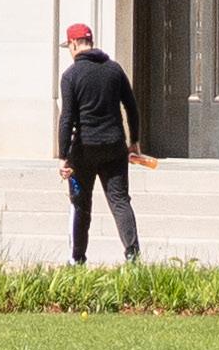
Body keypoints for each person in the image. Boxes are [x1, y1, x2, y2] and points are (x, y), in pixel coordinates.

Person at [57, 19, 152, 262]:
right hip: (114, 147)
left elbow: (67, 118)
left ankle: (77, 260)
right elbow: (131, 107)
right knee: (120, 201)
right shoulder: (114, 70)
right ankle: (133, 255)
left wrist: (64, 156)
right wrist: (134, 140)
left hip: (83, 150)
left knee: (80, 205)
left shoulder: (70, 76)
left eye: (69, 46)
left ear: (75, 44)